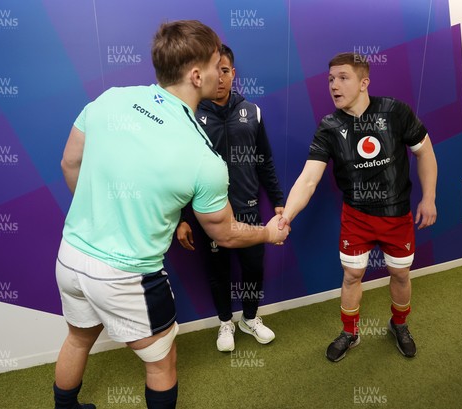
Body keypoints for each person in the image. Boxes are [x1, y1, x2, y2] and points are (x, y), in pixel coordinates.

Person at [53, 20, 288, 409]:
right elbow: (226, 234)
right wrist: (267, 234)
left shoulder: (110, 99)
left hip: (71, 257)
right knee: (162, 364)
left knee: (78, 337)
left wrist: (104, 214)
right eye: (217, 63)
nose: (222, 71)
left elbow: (69, 162)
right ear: (197, 75)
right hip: (128, 275)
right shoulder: (203, 158)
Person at [278, 52, 437, 362]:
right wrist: (287, 216)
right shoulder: (329, 126)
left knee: (400, 274)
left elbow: (425, 152)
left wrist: (428, 197)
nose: (334, 86)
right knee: (352, 274)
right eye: (330, 80)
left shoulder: (394, 111)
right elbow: (309, 179)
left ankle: (399, 325)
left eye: (343, 78)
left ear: (364, 82)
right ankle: (350, 333)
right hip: (357, 216)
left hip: (397, 214)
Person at [176, 44, 284, 352]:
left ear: (233, 74)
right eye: (215, 71)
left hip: (248, 210)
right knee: (218, 272)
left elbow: (264, 159)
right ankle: (225, 322)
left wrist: (277, 198)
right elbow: (183, 171)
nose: (220, 78)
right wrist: (182, 219)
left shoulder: (252, 111)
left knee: (253, 269)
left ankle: (250, 318)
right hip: (208, 214)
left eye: (225, 71)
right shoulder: (191, 115)